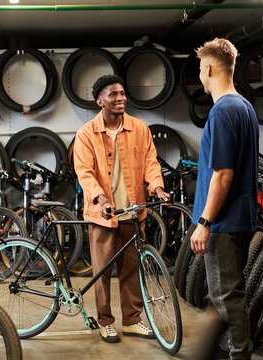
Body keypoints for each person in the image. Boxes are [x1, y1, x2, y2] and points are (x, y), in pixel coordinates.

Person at [73, 74, 169, 343]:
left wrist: (157, 187)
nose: (120, 98)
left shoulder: (139, 128)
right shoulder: (86, 134)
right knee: (102, 271)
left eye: (123, 93)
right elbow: (85, 173)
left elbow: (151, 162)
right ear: (99, 101)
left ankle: (132, 320)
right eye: (113, 94)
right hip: (103, 214)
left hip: (133, 211)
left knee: (131, 269)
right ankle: (105, 322)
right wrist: (101, 200)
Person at [190, 38, 259, 359]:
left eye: (200, 70)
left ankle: (238, 356)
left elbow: (223, 175)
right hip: (241, 218)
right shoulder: (244, 106)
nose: (200, 76)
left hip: (222, 222)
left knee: (228, 298)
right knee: (225, 295)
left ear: (208, 68)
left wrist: (204, 222)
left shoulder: (222, 112)